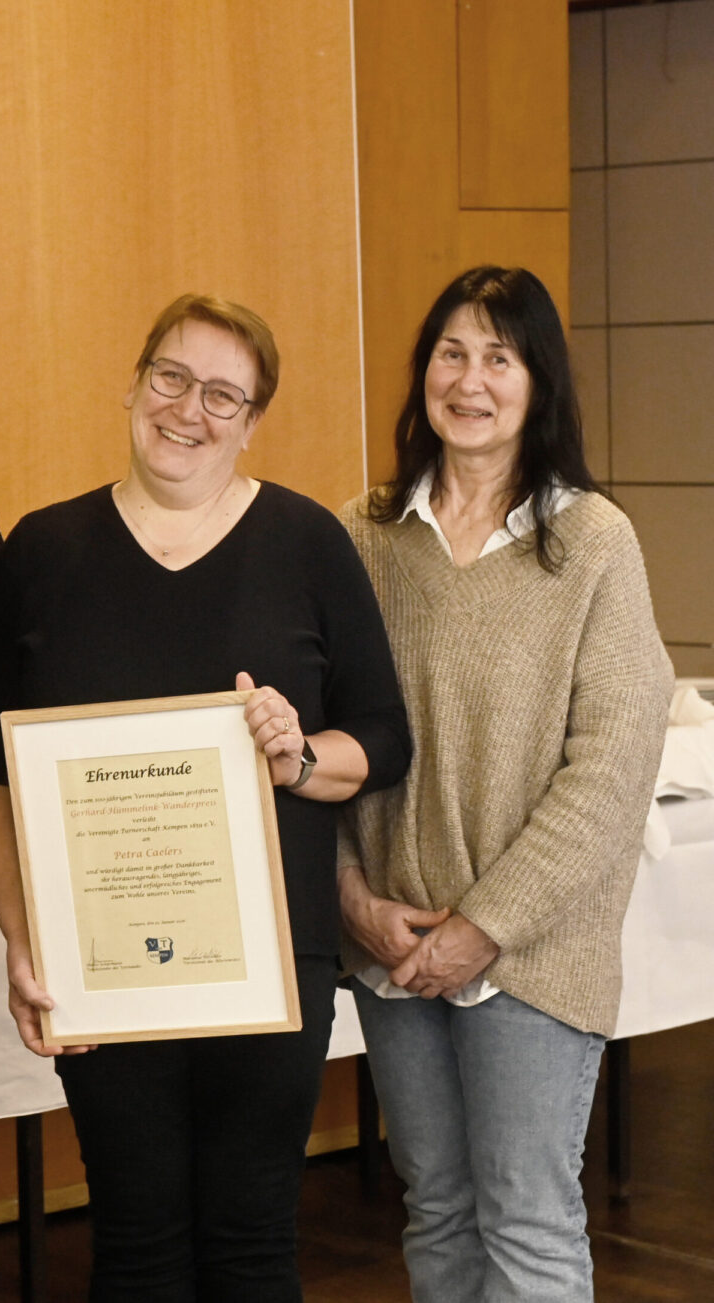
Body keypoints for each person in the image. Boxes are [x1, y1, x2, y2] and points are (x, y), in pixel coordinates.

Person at [0, 293, 411, 1301]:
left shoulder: (306, 542)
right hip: (102, 969)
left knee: (252, 1244)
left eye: (222, 394)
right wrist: (25, 933)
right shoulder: (44, 550)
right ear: (135, 381)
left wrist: (296, 753)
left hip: (269, 963)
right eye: (171, 376)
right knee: (136, 1243)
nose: (188, 409)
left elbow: (382, 739)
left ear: (251, 420)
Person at [337, 265, 674, 1302]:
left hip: (533, 952)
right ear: (422, 371)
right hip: (394, 943)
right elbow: (328, 742)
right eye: (451, 351)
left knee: (527, 1217)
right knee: (436, 1207)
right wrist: (357, 904)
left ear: (540, 383)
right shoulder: (364, 534)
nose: (470, 379)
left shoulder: (593, 542)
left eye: (499, 355)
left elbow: (611, 769)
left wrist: (482, 924)